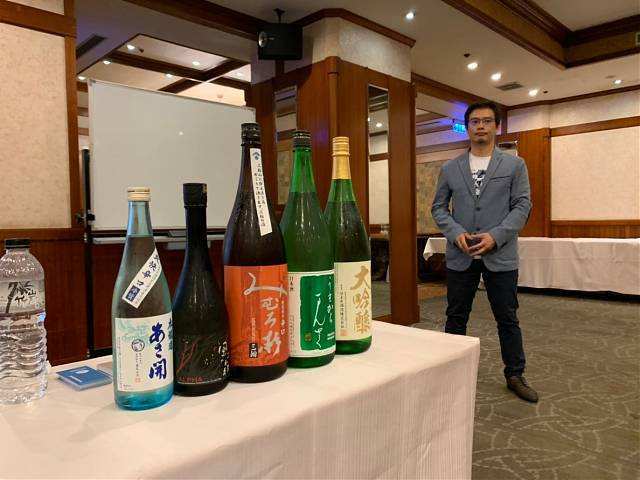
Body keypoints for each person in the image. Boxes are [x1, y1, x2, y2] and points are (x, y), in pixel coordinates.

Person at [431, 101, 538, 403]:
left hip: (500, 255)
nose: (480, 126)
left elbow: (522, 206)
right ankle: (450, 372)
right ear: (467, 127)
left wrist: (496, 236)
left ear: (496, 127)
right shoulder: (450, 168)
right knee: (455, 316)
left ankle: (515, 374)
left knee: (507, 317)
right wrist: (455, 233)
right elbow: (439, 208)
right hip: (461, 255)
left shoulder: (514, 165)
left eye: (487, 121)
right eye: (475, 121)